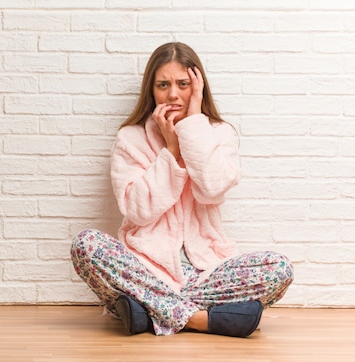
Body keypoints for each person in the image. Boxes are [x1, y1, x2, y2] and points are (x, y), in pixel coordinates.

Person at [70, 42, 294, 338]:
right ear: (151, 90)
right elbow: (138, 211)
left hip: (207, 272)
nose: (173, 94)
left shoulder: (218, 133)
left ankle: (147, 312)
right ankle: (200, 319)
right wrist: (171, 152)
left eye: (183, 84)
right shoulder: (131, 138)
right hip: (146, 268)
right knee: (86, 244)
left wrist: (191, 127)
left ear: (197, 87)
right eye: (163, 84)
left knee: (279, 268)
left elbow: (211, 189)